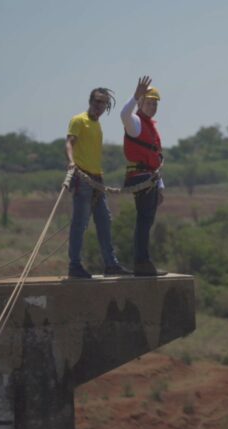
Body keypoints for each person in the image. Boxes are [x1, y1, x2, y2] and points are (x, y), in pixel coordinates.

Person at [65, 87, 131, 278]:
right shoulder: (79, 120)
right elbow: (70, 142)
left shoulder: (97, 125)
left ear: (106, 106)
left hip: (97, 179)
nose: (99, 106)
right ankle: (74, 266)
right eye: (96, 102)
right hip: (82, 177)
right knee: (80, 223)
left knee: (104, 221)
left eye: (103, 103)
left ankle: (111, 265)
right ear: (90, 101)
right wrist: (71, 162)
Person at [120, 76, 168, 276]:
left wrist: (161, 187)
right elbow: (124, 114)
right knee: (144, 220)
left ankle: (143, 261)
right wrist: (135, 95)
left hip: (149, 178)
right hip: (141, 177)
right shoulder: (136, 122)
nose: (152, 106)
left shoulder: (149, 125)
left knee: (146, 221)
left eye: (155, 103)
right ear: (140, 103)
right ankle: (142, 262)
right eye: (149, 102)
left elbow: (155, 159)